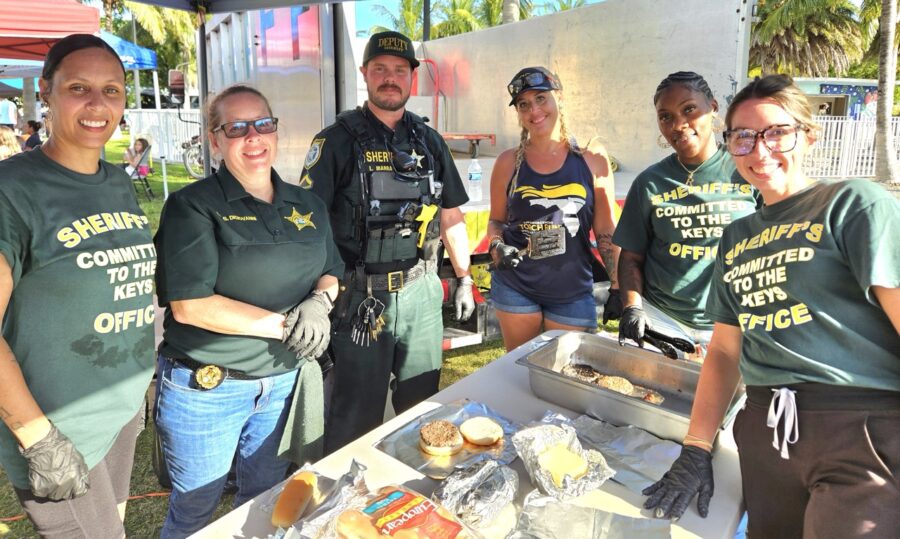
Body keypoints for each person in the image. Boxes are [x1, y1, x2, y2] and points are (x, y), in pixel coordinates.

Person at [643, 74, 900, 537]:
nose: (760, 151)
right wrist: (696, 447)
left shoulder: (853, 204)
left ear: (808, 134)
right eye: (744, 137)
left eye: (777, 132)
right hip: (766, 431)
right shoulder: (736, 237)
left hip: (857, 426)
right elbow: (724, 351)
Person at [153, 83, 344, 538]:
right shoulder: (192, 205)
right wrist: (288, 328)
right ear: (215, 140)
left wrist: (321, 302)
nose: (253, 136)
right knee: (196, 509)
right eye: (236, 127)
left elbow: (332, 270)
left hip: (281, 385)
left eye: (263, 123)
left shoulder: (308, 204)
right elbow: (190, 305)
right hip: (207, 388)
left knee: (265, 500)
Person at [0, 34, 156, 537]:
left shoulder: (116, 180)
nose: (97, 105)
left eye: (111, 90)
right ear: (45, 91)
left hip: (120, 414)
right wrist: (36, 436)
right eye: (79, 88)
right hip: (59, 430)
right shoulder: (13, 189)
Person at [301, 30, 474, 453]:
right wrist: (313, 296)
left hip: (421, 293)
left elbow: (451, 216)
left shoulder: (429, 142)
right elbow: (307, 224)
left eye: (400, 70)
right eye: (380, 69)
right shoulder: (335, 141)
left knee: (423, 408)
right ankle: (348, 498)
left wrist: (465, 279)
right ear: (365, 74)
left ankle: (418, 487)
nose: (390, 78)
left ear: (413, 78)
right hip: (359, 297)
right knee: (355, 416)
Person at [613, 72, 760, 357]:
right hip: (661, 320)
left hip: (731, 323)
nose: (679, 125)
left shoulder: (747, 172)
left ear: (713, 107)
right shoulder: (649, 183)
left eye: (689, 109)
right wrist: (632, 307)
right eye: (666, 117)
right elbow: (631, 257)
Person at [486, 67, 621, 351]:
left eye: (541, 98)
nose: (534, 110)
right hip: (516, 287)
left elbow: (606, 230)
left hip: (571, 290)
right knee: (518, 371)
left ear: (559, 97)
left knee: (568, 375)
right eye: (524, 104)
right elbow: (496, 221)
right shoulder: (508, 162)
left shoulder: (592, 160)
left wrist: (618, 286)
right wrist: (497, 246)